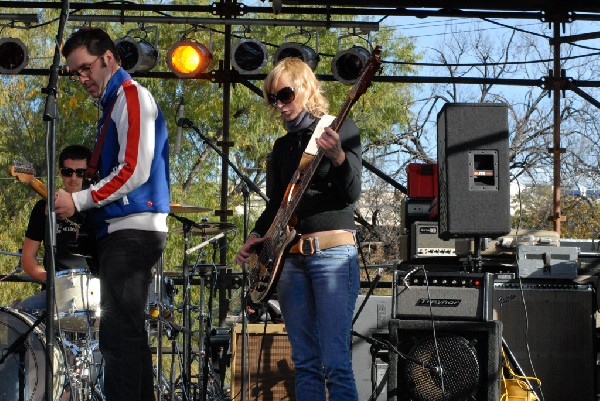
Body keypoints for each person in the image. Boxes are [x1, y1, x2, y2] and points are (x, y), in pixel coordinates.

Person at [235, 57, 362, 401]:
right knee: (305, 363)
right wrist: (254, 238)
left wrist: (337, 157)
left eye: (286, 95)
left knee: (335, 363)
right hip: (290, 260)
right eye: (272, 99)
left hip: (332, 254)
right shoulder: (281, 148)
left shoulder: (339, 128)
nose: (279, 105)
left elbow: (351, 194)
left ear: (306, 89)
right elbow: (276, 206)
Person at [56, 27, 170, 401]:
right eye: (75, 73)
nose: (82, 78)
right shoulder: (113, 103)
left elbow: (135, 169)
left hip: (133, 228)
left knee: (118, 339)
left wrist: (81, 200)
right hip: (121, 229)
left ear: (108, 57)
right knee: (128, 337)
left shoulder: (131, 96)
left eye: (86, 68)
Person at [17, 145, 92, 310]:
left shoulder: (99, 207)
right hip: (54, 292)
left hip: (94, 292)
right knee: (19, 313)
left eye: (80, 172)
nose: (74, 177)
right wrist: (48, 278)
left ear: (88, 175)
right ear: (60, 172)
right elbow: (28, 259)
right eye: (68, 171)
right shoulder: (42, 208)